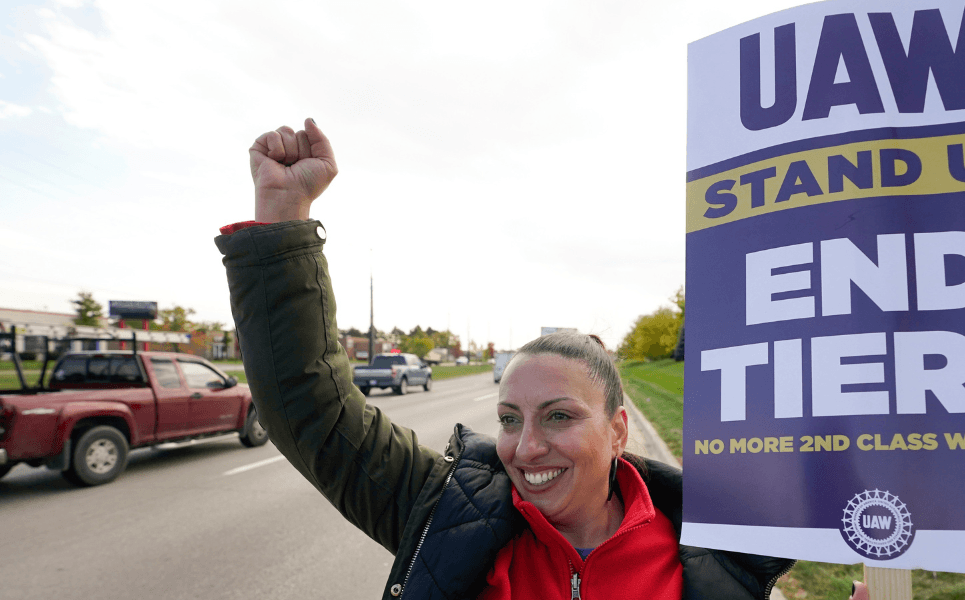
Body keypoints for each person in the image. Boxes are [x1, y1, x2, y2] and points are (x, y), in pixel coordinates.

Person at [215, 119, 871, 600]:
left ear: (619, 429)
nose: (525, 447)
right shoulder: (447, 513)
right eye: (509, 418)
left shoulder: (723, 547)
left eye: (558, 416)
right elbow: (311, 406)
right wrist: (282, 217)